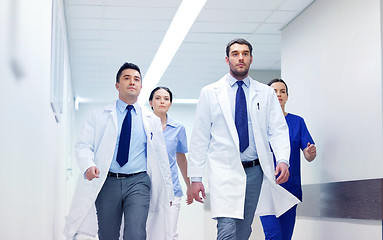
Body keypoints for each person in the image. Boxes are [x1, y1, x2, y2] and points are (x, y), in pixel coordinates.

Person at [188, 38, 300, 240]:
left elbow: (278, 130)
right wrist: (195, 179)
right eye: (235, 53)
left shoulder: (265, 93)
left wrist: (283, 159)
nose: (240, 58)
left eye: (245, 54)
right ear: (227, 59)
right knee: (227, 227)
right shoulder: (210, 93)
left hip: (255, 171)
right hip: (225, 169)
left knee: (243, 229)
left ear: (251, 59)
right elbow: (199, 138)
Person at [63, 62, 174, 240]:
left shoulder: (150, 120)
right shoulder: (99, 115)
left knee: (136, 232)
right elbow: (83, 145)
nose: (132, 82)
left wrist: (168, 192)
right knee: (107, 234)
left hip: (139, 182)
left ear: (141, 86)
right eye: (127, 78)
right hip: (108, 181)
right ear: (117, 85)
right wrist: (88, 165)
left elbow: (161, 159)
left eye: (136, 79)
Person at [260, 78, 317, 240]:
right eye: (274, 91)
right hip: (267, 188)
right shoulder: (260, 123)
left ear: (287, 96)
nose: (278, 94)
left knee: (285, 237)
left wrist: (311, 152)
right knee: (273, 235)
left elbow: (308, 155)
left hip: (289, 189)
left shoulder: (297, 122)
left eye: (282, 91)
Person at [148, 86, 194, 239]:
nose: (162, 101)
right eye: (158, 98)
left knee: (170, 233)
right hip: (147, 188)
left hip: (172, 190)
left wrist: (189, 185)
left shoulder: (178, 128)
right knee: (148, 233)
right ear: (151, 102)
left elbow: (181, 159)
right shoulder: (144, 126)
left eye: (166, 98)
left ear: (170, 103)